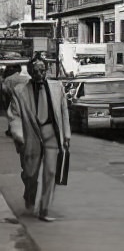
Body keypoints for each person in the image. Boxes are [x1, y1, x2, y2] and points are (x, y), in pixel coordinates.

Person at [7, 54, 70, 221]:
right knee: (30, 174)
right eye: (35, 71)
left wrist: (66, 134)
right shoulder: (20, 91)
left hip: (51, 134)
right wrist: (18, 134)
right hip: (31, 136)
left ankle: (44, 210)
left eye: (42, 70)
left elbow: (64, 112)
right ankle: (29, 196)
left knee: (50, 172)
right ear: (30, 72)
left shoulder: (58, 87)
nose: (39, 74)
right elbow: (15, 116)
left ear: (46, 71)